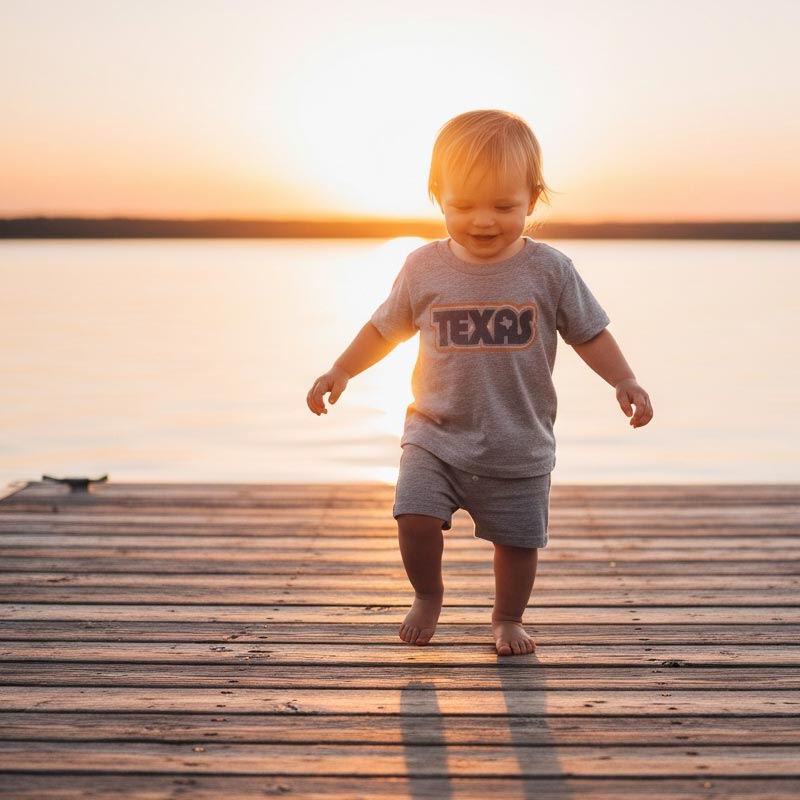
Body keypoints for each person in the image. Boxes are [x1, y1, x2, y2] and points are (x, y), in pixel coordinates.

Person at [306, 109, 653, 656]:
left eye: (503, 206)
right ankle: (428, 595)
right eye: (463, 206)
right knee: (413, 515)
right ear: (437, 196)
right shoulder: (423, 267)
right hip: (435, 432)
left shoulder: (550, 270)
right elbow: (383, 328)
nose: (484, 221)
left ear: (532, 199)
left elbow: (590, 332)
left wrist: (624, 379)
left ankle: (507, 617)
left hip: (518, 441)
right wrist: (341, 370)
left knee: (517, 544)